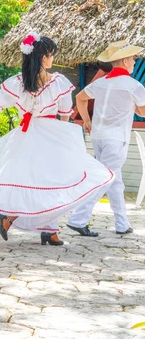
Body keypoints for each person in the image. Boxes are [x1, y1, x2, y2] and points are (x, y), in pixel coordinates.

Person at [0, 33, 114, 245]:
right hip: (49, 135)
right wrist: (64, 139)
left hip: (24, 136)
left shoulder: (17, 82)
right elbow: (64, 114)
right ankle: (13, 217)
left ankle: (49, 230)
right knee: (53, 181)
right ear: (43, 57)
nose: (53, 58)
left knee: (37, 182)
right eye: (51, 54)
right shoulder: (58, 83)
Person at [67, 40, 145, 237]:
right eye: (133, 59)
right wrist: (134, 107)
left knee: (115, 181)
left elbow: (80, 98)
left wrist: (86, 120)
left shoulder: (101, 83)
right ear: (125, 60)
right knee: (104, 178)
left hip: (99, 135)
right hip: (116, 138)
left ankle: (122, 223)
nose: (135, 63)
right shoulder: (133, 86)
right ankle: (78, 219)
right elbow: (143, 112)